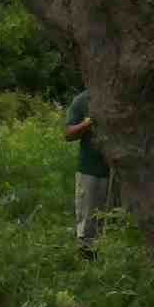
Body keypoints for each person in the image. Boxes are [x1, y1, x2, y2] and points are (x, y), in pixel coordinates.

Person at [62, 82, 112, 255]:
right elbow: (68, 134)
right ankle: (86, 261)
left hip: (119, 172)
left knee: (113, 218)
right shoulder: (83, 100)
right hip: (90, 170)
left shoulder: (121, 97)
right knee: (88, 220)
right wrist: (89, 122)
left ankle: (110, 258)